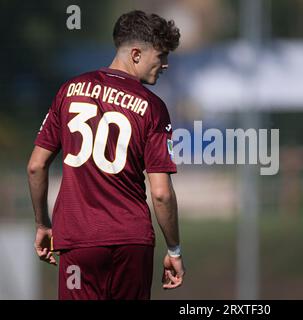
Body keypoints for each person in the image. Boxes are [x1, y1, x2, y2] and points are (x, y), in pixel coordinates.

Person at [27, 10, 185, 300]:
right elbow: (161, 193)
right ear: (136, 54)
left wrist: (42, 224)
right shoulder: (153, 107)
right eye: (161, 56)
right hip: (131, 242)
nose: (165, 65)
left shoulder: (69, 91)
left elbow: (36, 166)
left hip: (79, 242)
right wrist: (174, 249)